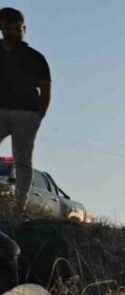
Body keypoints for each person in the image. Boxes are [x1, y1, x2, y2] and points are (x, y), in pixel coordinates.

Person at [0, 7, 49, 217]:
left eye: (18, 29)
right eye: (8, 29)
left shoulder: (35, 57)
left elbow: (46, 87)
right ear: (1, 29)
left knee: (22, 160)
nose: (13, 33)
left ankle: (19, 207)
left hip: (26, 114)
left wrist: (39, 115)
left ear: (24, 29)